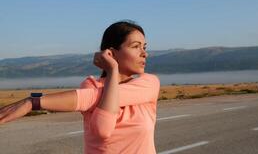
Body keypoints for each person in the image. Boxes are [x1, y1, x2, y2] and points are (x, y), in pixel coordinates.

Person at [0, 20, 160, 154]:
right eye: (135, 46)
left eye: (144, 47)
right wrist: (113, 71)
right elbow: (103, 130)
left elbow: (92, 98)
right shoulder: (90, 85)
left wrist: (32, 102)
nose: (144, 53)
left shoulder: (149, 83)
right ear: (111, 53)